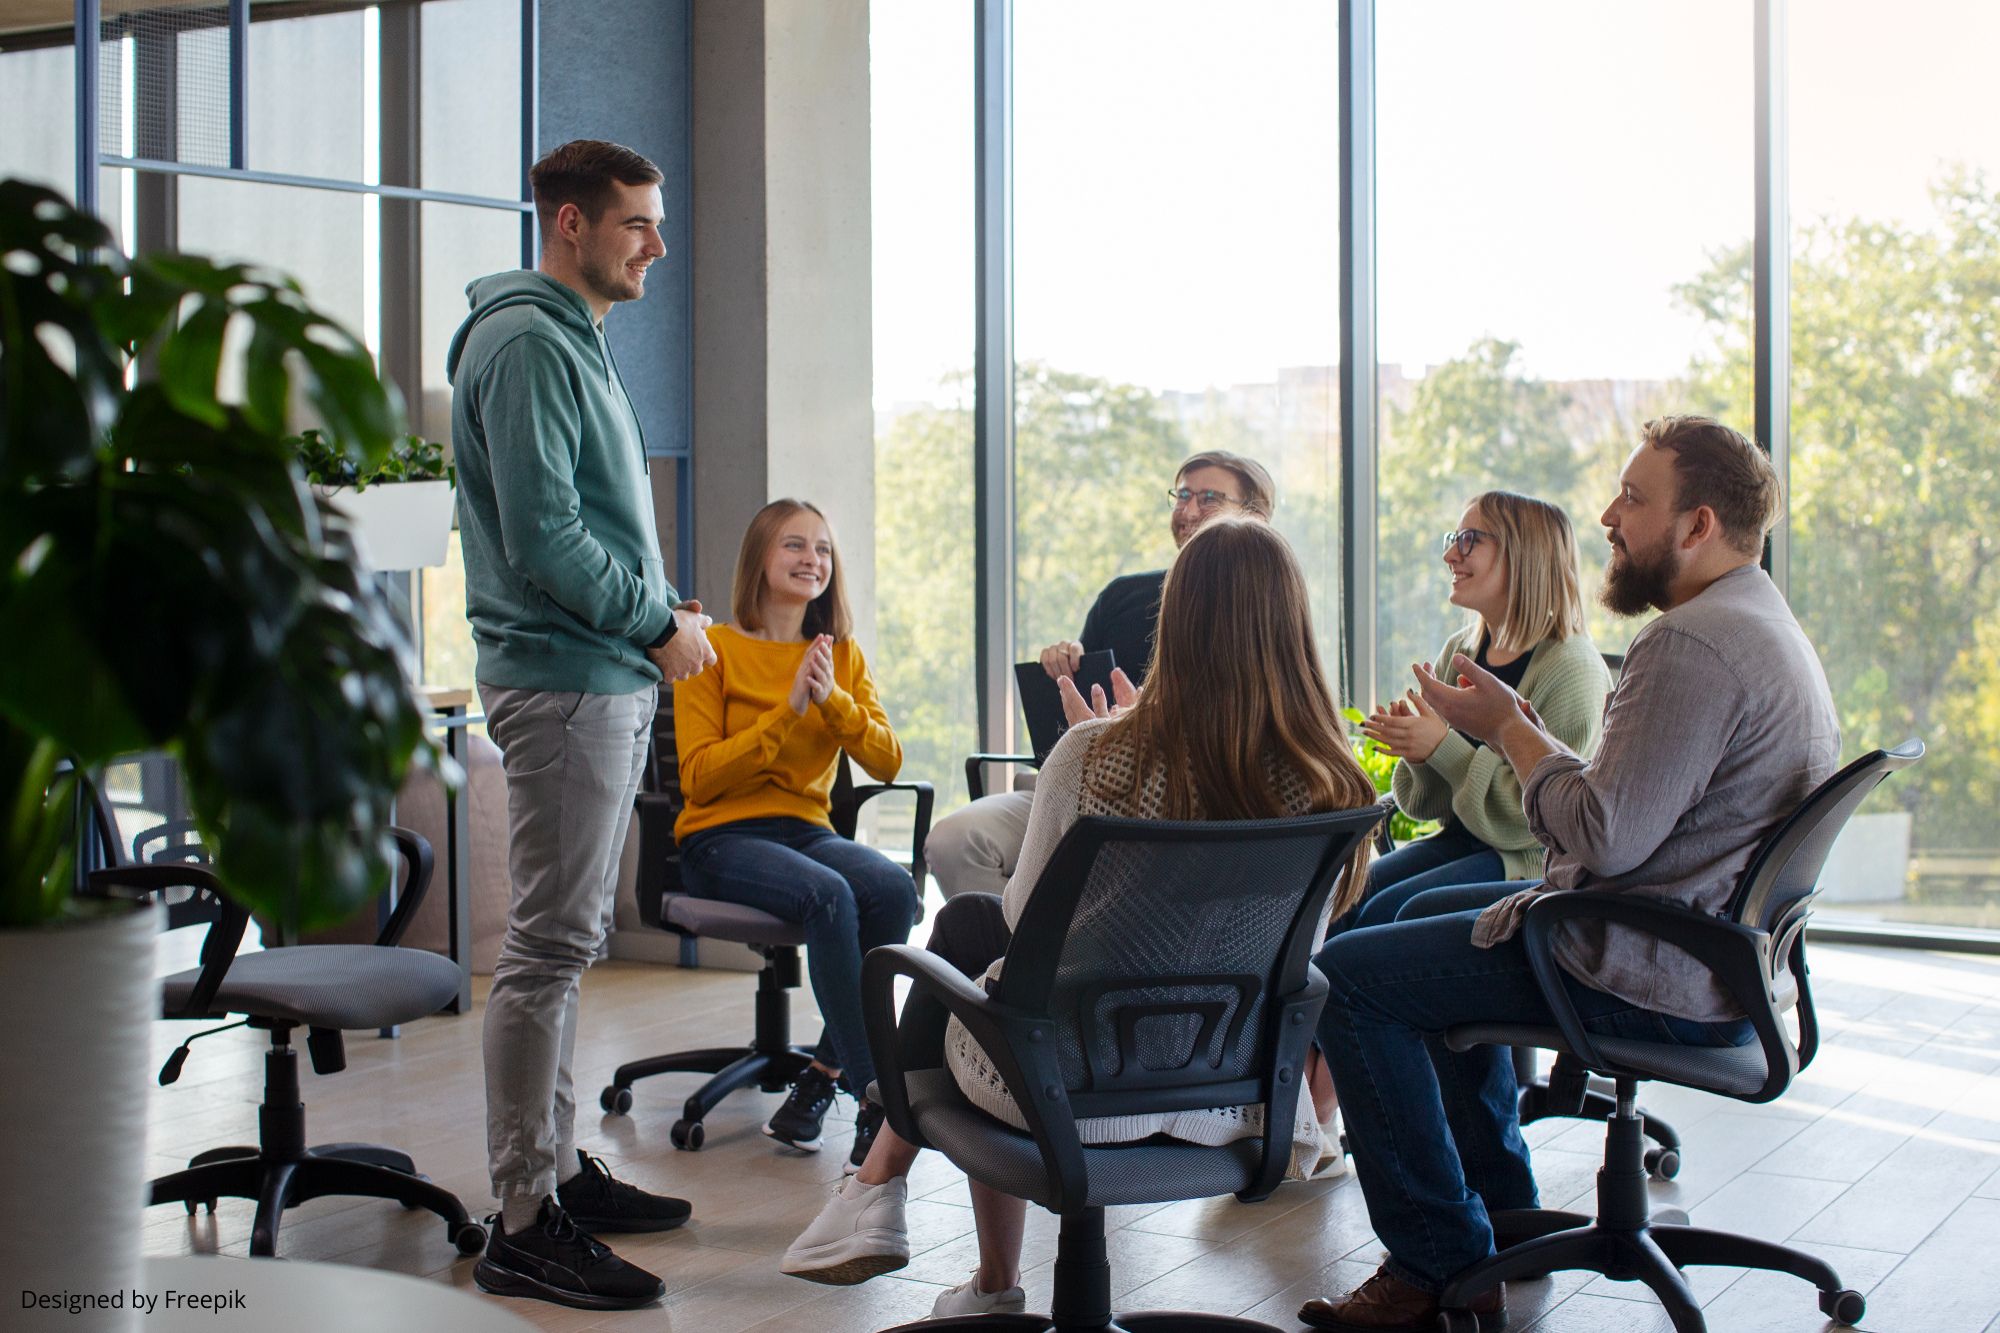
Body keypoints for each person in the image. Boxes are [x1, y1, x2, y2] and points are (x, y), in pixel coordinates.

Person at [1297, 416, 1839, 1332]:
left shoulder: (1691, 646)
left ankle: (1438, 1258)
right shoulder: (1760, 623)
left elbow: (1602, 836)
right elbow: (1619, 822)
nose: (1608, 515)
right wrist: (1503, 727)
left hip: (1642, 962)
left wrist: (1510, 729)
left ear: (1697, 524)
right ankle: (1499, 1211)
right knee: (1398, 936)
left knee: (1347, 979)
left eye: (1634, 497)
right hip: (1701, 953)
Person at [781, 519, 1380, 1319]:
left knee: (972, 934)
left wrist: (1111, 742)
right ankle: (894, 1204)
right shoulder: (1334, 780)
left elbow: (1026, 922)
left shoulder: (1092, 753)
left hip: (1067, 1088)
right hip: (1236, 1097)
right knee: (968, 927)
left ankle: (904, 1209)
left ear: (1176, 623)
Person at [450, 139, 715, 1312]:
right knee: (546, 953)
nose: (656, 244)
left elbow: (580, 524)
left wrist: (658, 611)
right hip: (565, 679)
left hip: (592, 671)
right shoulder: (522, 343)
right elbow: (544, 540)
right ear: (570, 224)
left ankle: (555, 1172)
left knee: (564, 950)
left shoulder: (567, 340)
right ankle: (520, 1218)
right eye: (636, 224)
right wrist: (657, 621)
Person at [1299, 493, 1613, 1171]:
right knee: (1341, 902)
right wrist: (1419, 748)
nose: (1451, 553)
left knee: (1397, 918)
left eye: (1471, 539)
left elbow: (1529, 817)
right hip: (1470, 841)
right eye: (1455, 536)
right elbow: (1431, 806)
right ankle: (1319, 1119)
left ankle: (1466, 1155)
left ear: (1522, 556)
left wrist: (1442, 745)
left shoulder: (1573, 671)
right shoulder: (1460, 650)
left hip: (1529, 859)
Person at [674, 499, 920, 1169]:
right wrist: (785, 716)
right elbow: (698, 778)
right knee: (831, 895)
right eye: (794, 545)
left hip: (806, 830)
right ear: (760, 557)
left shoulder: (840, 657)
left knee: (894, 890)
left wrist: (832, 701)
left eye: (823, 549)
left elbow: (888, 761)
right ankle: (876, 1100)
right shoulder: (712, 650)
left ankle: (822, 1075)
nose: (813, 558)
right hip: (721, 835)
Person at [923, 450, 1279, 899]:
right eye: (1182, 495)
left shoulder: (1268, 621)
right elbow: (1072, 721)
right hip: (1085, 781)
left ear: (1256, 517)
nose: (1188, 511)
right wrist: (1066, 664)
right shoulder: (1122, 597)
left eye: (1208, 498)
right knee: (956, 840)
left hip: (1178, 801)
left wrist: (1140, 740)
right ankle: (1014, 958)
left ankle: (1039, 954)